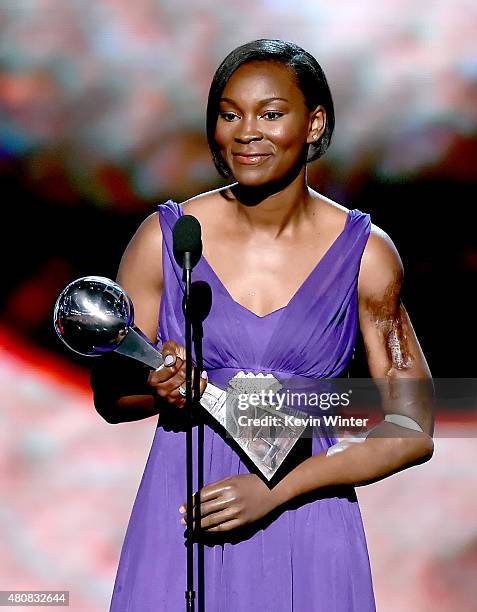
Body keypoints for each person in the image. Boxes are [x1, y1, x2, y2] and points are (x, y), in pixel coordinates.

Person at [91, 39, 434, 611]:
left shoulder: (365, 255)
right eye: (230, 114)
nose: (246, 132)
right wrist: (154, 386)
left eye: (271, 114)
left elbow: (413, 427)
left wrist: (276, 490)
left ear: (314, 123)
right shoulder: (166, 239)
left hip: (306, 518)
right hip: (185, 512)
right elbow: (109, 394)